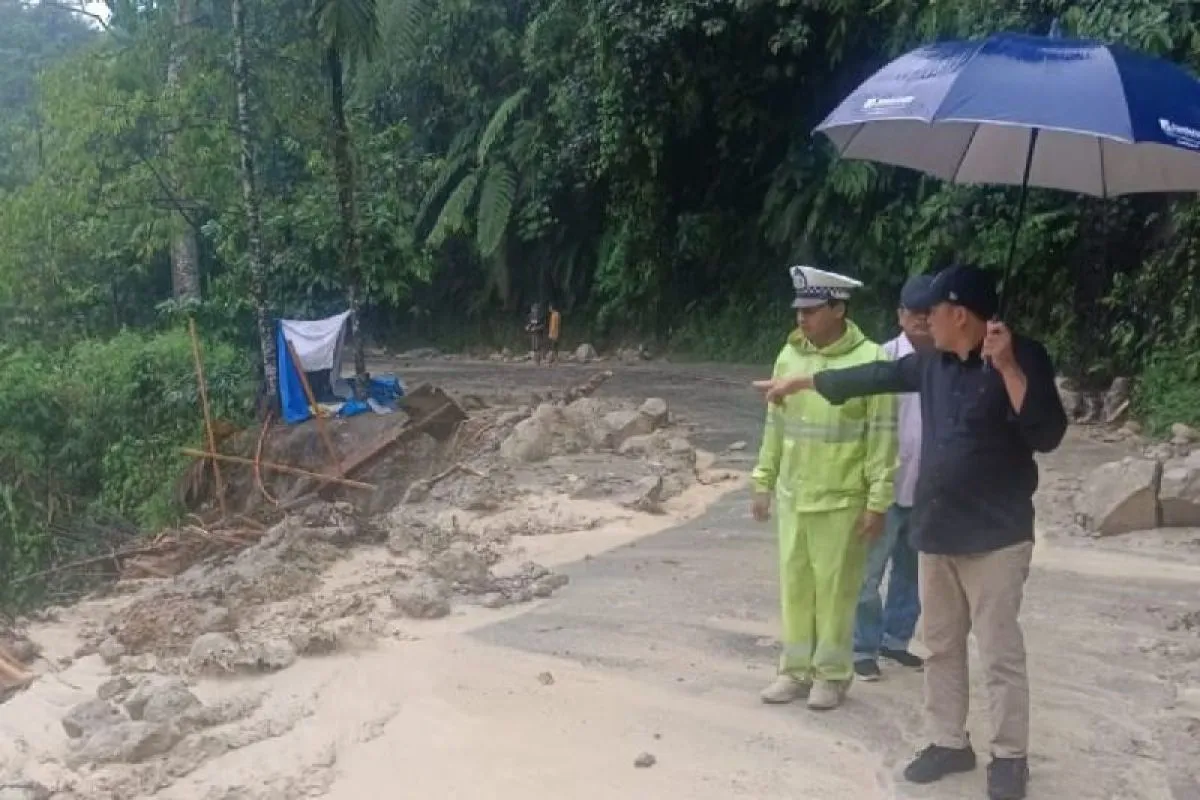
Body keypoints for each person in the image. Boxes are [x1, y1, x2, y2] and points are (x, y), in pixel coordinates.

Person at [753, 265, 1067, 800]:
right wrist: (803, 381)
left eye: (929, 315)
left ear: (959, 314)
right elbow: (873, 378)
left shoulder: (1022, 355)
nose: (920, 325)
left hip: (996, 536)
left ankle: (1010, 755)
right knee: (941, 647)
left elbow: (1047, 433)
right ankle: (948, 741)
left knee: (998, 652)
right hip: (937, 529)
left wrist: (1008, 364)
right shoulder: (931, 363)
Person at [752, 265, 897, 712]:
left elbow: (883, 436)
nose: (802, 319)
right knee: (795, 586)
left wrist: (878, 501)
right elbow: (775, 424)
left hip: (843, 499)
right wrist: (764, 480)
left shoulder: (872, 361)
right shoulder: (789, 357)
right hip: (796, 494)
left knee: (837, 592)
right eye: (799, 310)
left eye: (813, 310)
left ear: (839, 309)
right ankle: (794, 670)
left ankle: (832, 675)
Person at [853, 274, 934, 681]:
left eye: (928, 313)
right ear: (900, 315)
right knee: (868, 572)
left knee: (912, 573)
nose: (920, 320)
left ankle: (895, 641)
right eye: (913, 312)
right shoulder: (882, 359)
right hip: (884, 488)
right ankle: (861, 646)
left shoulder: (948, 361)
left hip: (927, 490)